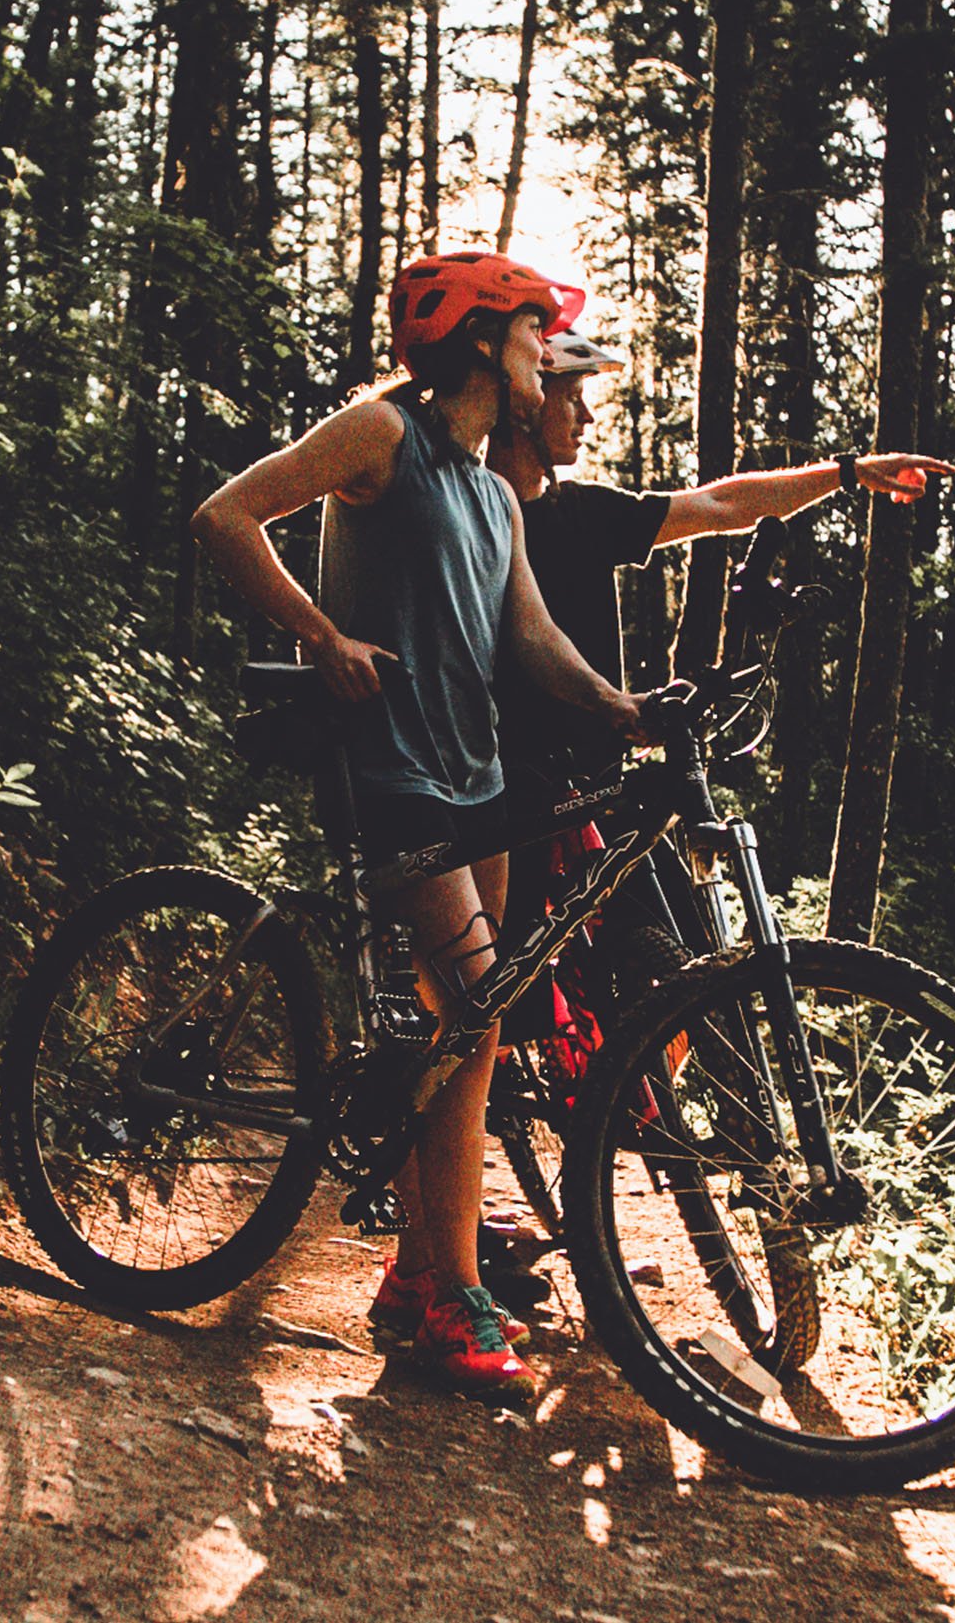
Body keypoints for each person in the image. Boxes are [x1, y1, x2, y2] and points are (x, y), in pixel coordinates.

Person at [191, 250, 643, 1399]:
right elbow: (228, 514)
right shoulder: (381, 433)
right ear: (489, 343)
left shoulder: (495, 492)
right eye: (540, 337)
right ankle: (446, 1299)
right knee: (473, 1023)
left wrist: (626, 709)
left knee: (467, 1025)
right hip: (389, 773)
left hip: (474, 781)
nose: (554, 360)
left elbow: (531, 641)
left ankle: (413, 1269)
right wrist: (318, 636)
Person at [485, 332, 955, 914]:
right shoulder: (469, 516)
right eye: (570, 397)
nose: (586, 415)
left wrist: (849, 473)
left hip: (597, 794)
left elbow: (721, 506)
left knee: (672, 954)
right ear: (524, 405)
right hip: (509, 803)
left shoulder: (585, 513)